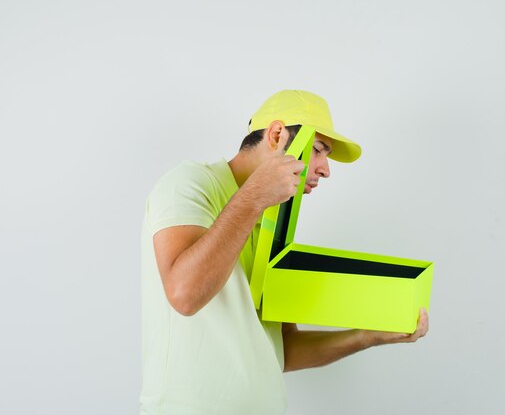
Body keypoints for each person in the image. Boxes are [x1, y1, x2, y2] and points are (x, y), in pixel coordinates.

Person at [140, 90, 429, 415]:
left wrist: (367, 336)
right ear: (277, 134)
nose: (325, 169)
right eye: (318, 150)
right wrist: (254, 197)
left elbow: (283, 350)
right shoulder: (189, 183)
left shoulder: (273, 220)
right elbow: (184, 294)